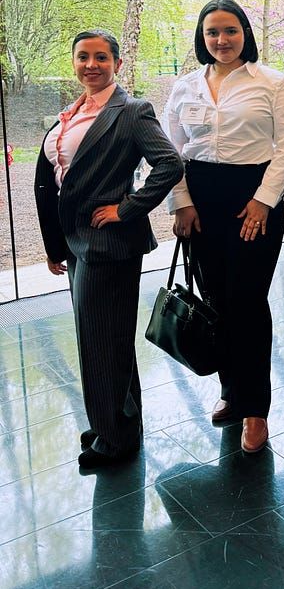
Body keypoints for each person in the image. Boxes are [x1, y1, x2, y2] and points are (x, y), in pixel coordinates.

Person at [34, 29, 183, 470]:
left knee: (100, 341)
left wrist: (127, 209)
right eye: (83, 57)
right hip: (77, 242)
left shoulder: (132, 110)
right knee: (107, 339)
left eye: (101, 57)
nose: (91, 65)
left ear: (116, 62)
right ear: (74, 62)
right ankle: (116, 423)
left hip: (108, 243)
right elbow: (56, 177)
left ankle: (112, 438)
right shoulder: (70, 112)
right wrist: (54, 243)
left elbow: (170, 163)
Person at [163, 0, 284, 454]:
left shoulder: (274, 83)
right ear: (202, 39)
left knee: (247, 301)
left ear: (246, 33)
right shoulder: (185, 87)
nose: (222, 40)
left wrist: (264, 202)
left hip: (253, 200)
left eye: (230, 31)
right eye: (212, 33)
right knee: (217, 300)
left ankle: (257, 409)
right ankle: (231, 391)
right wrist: (180, 203)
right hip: (200, 202)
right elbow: (171, 152)